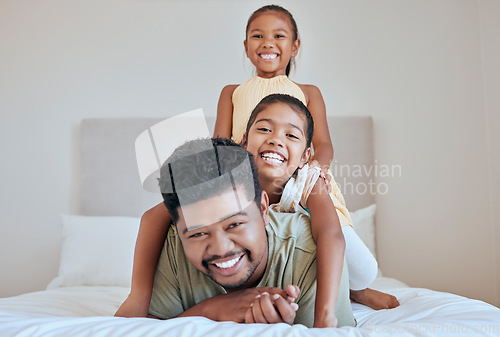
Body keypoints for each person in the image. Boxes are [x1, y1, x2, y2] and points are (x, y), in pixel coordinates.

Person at [213, 5, 399, 311]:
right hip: (250, 182)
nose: (268, 43)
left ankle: (355, 288)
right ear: (246, 46)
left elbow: (324, 144)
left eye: (279, 36)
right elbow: (220, 145)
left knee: (361, 266)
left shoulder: (308, 91)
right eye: (257, 36)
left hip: (299, 179)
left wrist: (315, 169)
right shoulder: (231, 92)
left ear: (295, 46)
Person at [146, 137, 356, 328]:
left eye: (234, 224)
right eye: (198, 234)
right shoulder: (174, 244)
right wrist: (212, 311)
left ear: (264, 209)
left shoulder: (312, 254)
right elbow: (146, 327)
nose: (221, 248)